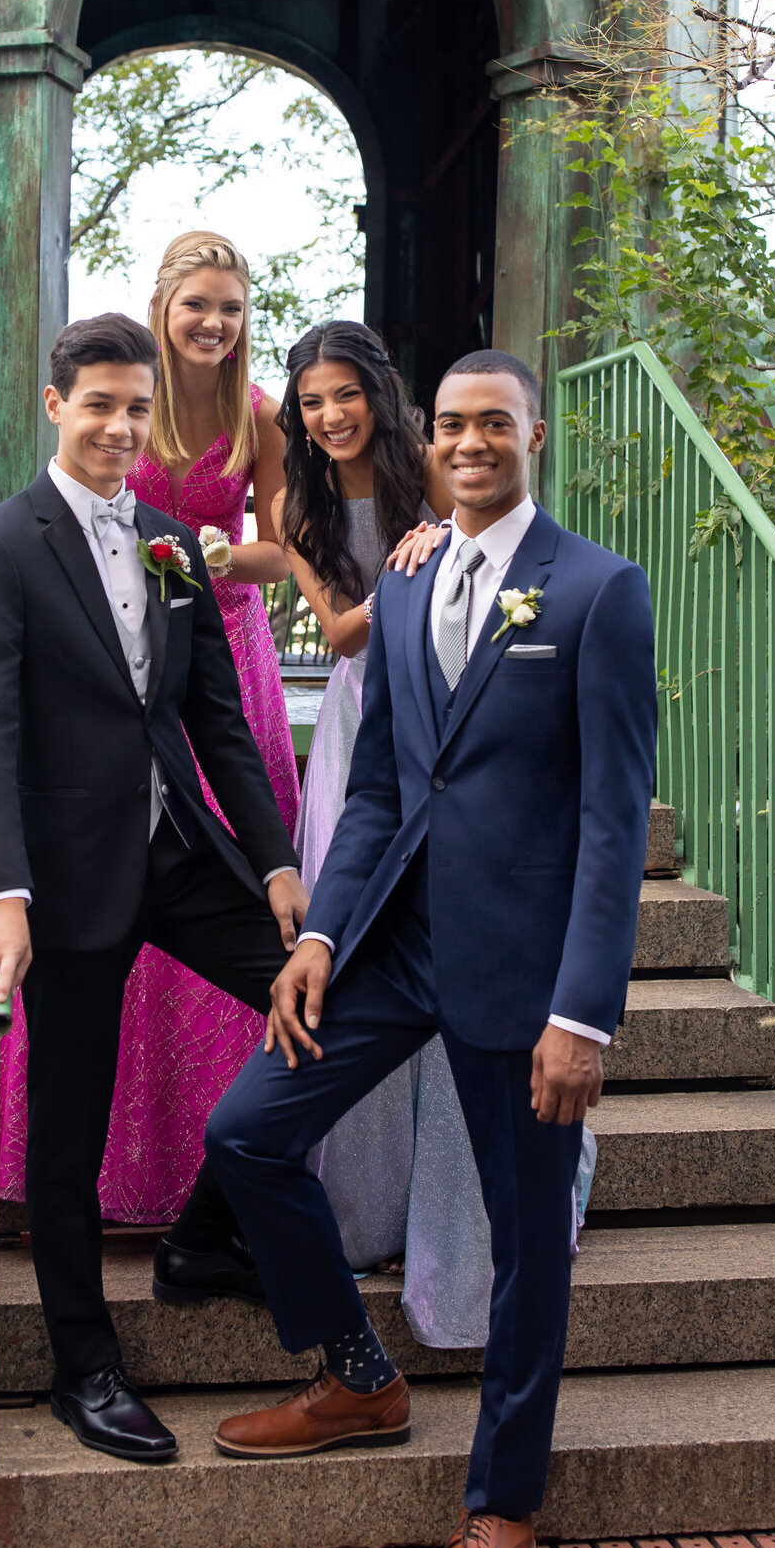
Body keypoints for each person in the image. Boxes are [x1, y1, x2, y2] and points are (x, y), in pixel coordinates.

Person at [205, 350, 657, 1548]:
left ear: (535, 436)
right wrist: (320, 936)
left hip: (521, 975)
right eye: (452, 424)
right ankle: (356, 1371)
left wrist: (584, 1014)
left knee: (527, 1251)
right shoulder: (403, 585)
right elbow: (388, 790)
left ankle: (502, 1504)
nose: (470, 443)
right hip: (393, 943)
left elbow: (614, 824)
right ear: (432, 433)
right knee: (245, 1133)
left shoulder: (596, 591)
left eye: (493, 425)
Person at [0, 314, 308, 1464]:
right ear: (55, 406)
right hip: (63, 879)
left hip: (181, 855)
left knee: (332, 1001)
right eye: (98, 404)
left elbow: (212, 722)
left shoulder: (171, 543)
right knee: (68, 1132)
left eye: (135, 409)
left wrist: (276, 860)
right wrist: (2, 891)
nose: (118, 426)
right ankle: (83, 1365)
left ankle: (206, 1229)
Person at [0, 233, 298, 1231]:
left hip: (226, 658)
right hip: (115, 687)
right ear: (163, 310)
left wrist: (229, 553)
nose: (214, 323)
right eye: (195, 305)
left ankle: (220, 1178)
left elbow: (281, 549)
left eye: (231, 307)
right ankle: (122, 1172)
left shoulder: (259, 414)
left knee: (235, 934)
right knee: (119, 937)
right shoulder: (128, 408)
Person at [274, 322, 491, 1343]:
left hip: (436, 701)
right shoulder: (296, 500)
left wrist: (445, 540)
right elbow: (340, 629)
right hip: (359, 715)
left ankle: (456, 1203)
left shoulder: (440, 470)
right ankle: (367, 1205)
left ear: (374, 391)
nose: (329, 417)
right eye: (311, 402)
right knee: (352, 945)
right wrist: (418, 566)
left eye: (342, 396)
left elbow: (488, 565)